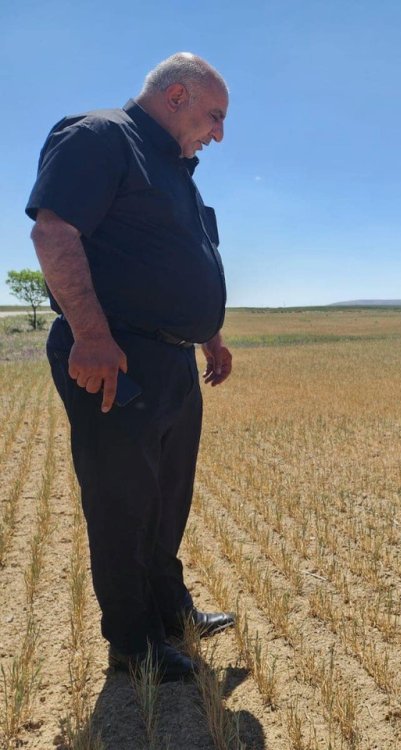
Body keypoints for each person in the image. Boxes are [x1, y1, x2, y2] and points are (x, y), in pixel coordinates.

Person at [27, 52, 235, 681]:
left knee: (169, 498)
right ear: (177, 94)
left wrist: (210, 336)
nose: (219, 133)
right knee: (124, 503)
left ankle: (169, 611)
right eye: (214, 115)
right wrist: (90, 335)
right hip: (115, 358)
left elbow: (186, 258)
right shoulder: (99, 137)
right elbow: (54, 233)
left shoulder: (179, 170)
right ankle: (133, 642)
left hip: (171, 360)